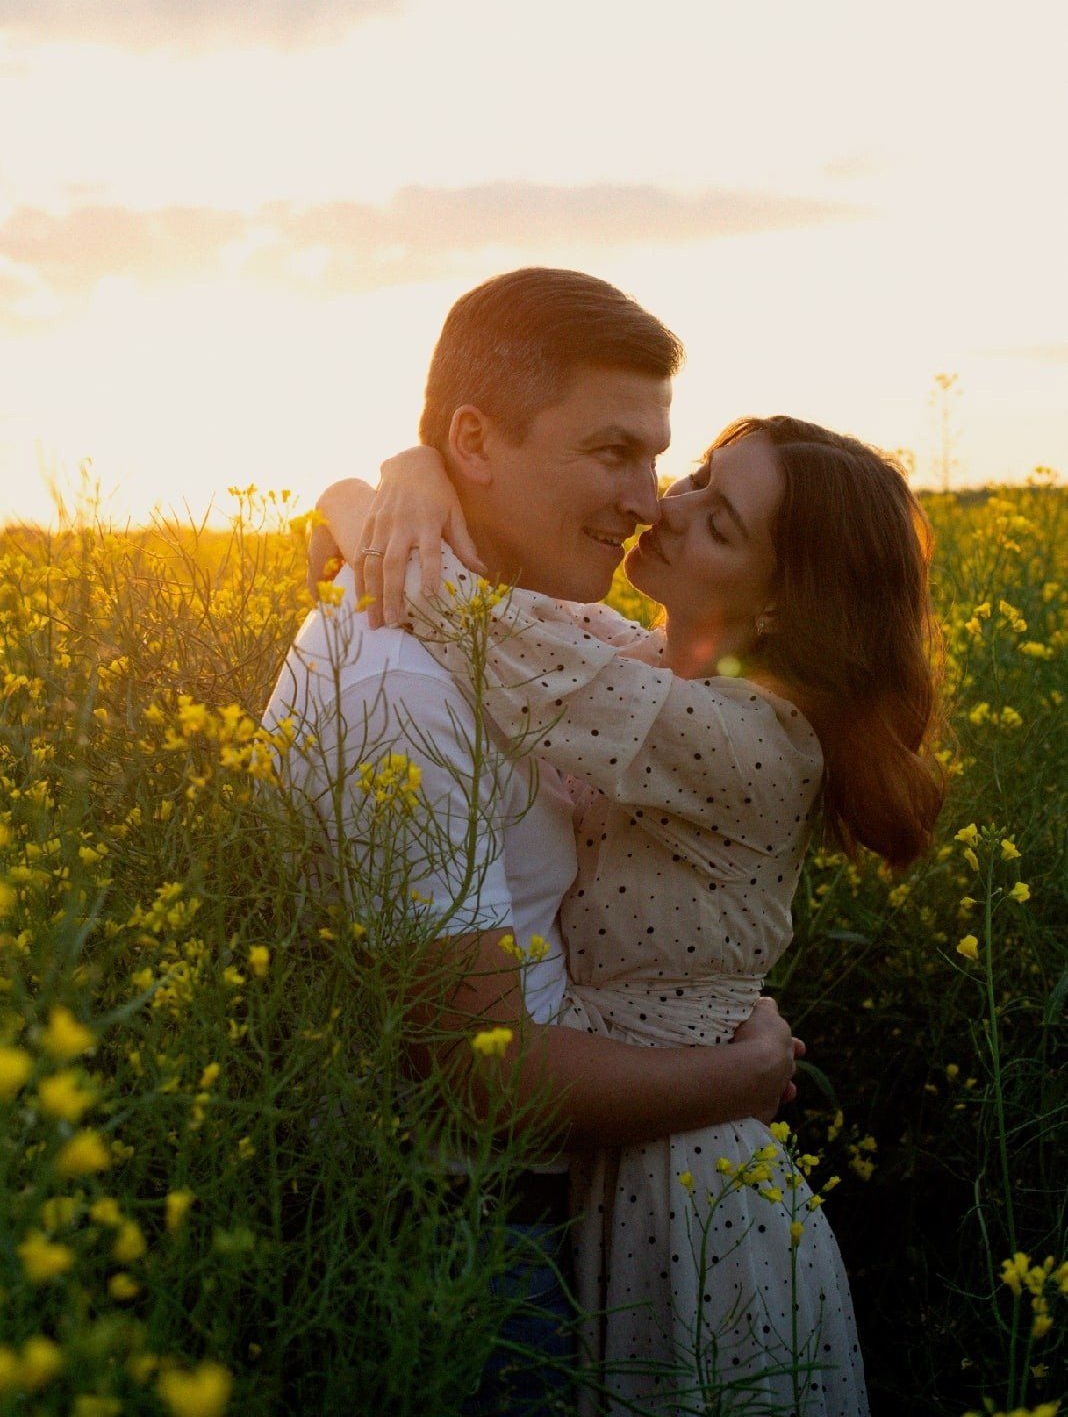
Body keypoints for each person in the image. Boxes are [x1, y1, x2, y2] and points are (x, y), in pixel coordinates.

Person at [316, 413, 944, 1414]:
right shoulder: (654, 668)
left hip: (686, 1185)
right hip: (642, 1136)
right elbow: (517, 619)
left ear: (781, 602)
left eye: (720, 520)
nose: (666, 503)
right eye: (696, 476)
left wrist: (365, 502)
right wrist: (404, 474)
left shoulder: (746, 737)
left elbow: (473, 626)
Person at [264, 269, 804, 1415]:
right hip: (464, 1245)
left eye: (660, 459)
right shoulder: (403, 678)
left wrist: (372, 488)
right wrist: (742, 1077)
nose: (647, 502)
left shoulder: (532, 633)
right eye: (615, 452)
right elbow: (474, 1074)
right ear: (476, 439)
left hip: (554, 1216)